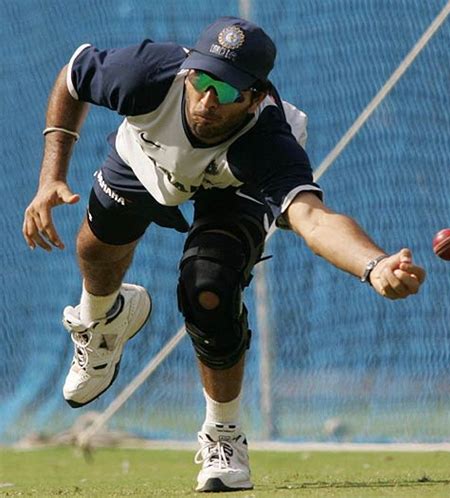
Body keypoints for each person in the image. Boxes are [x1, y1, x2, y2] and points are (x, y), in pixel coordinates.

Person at [23, 16, 425, 493]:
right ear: (189, 71)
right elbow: (72, 77)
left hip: (234, 185)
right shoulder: (145, 76)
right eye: (204, 80)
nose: (208, 100)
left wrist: (374, 265)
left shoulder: (268, 142)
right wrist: (51, 177)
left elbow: (313, 219)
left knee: (208, 289)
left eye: (229, 90)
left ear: (255, 97)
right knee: (95, 247)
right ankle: (101, 320)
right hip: (148, 159)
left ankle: (223, 435)